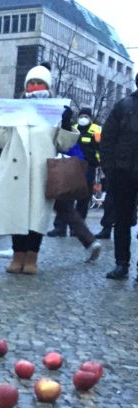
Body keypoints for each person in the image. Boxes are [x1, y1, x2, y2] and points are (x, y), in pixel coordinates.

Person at [0, 63, 78, 275]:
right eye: (31, 83)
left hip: (40, 171)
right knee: (15, 214)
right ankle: (17, 255)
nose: (35, 87)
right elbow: (0, 141)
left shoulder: (54, 110)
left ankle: (32, 257)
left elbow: (64, 144)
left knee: (37, 216)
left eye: (40, 83)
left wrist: (65, 124)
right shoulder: (14, 109)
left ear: (48, 86)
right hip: (14, 170)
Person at [102, 75, 138, 281]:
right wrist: (109, 169)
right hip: (122, 172)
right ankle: (121, 263)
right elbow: (107, 138)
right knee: (122, 221)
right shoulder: (123, 106)